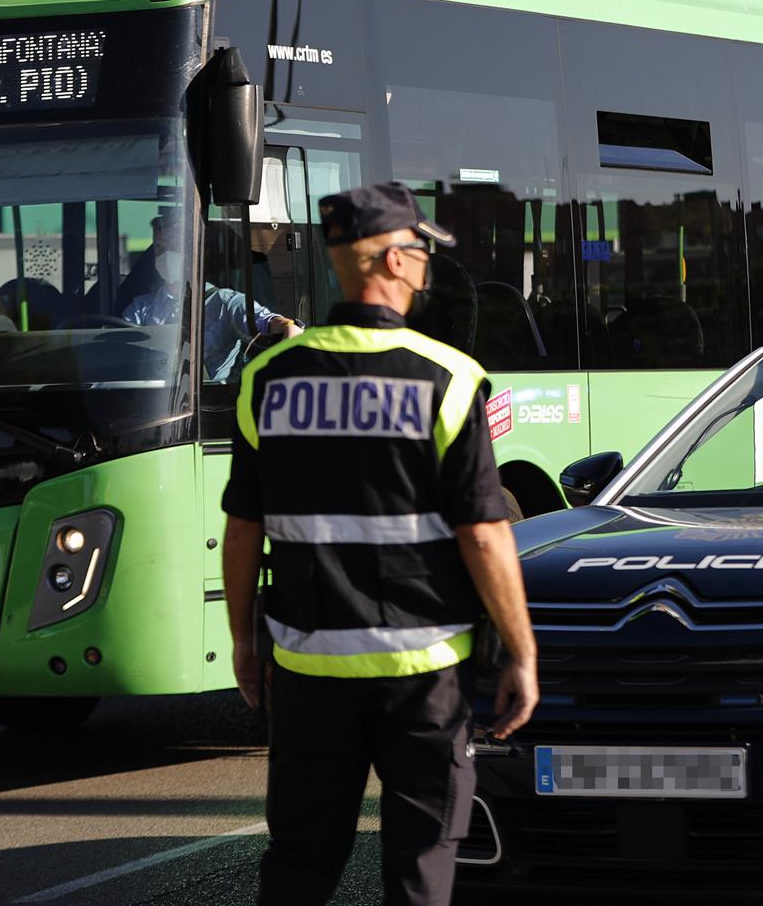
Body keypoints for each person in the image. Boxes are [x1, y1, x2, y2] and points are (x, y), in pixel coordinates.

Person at [221, 182, 539, 906]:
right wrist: (521, 650)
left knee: (299, 862)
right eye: (421, 252)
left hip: (307, 669)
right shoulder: (450, 381)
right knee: (420, 866)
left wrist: (244, 641)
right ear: (393, 262)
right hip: (423, 676)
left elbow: (243, 529)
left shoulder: (266, 378)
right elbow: (486, 536)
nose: (427, 265)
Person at [120, 215, 301, 381]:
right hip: (156, 404)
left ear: (192, 252)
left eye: (173, 247)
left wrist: (289, 327)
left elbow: (266, 321)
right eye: (160, 249)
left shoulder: (223, 302)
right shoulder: (141, 308)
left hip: (213, 407)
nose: (166, 256)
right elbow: (119, 347)